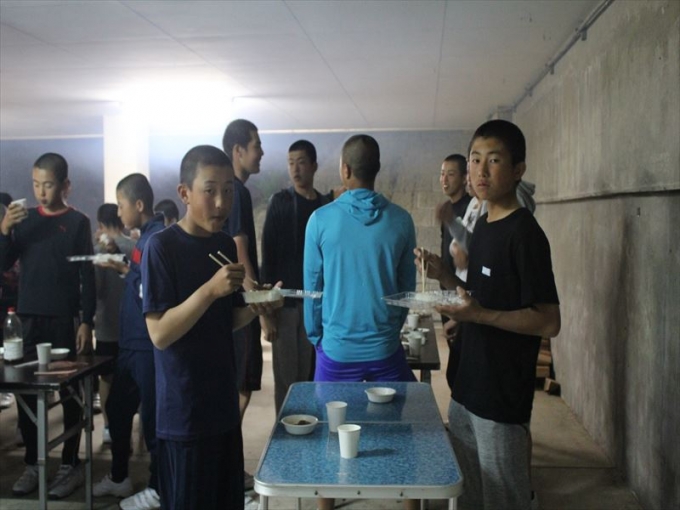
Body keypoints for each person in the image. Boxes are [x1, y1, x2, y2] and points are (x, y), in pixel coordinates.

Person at [415, 119, 561, 510]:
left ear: (518, 170)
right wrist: (443, 274)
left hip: (501, 397)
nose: (481, 171)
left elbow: (549, 320)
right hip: (466, 388)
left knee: (503, 498)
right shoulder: (483, 225)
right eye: (475, 159)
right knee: (469, 496)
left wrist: (480, 316)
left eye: (493, 160)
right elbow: (477, 295)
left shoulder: (525, 234)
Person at [141, 144, 281, 510]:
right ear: (184, 193)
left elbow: (225, 320)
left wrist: (257, 308)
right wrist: (209, 290)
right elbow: (160, 334)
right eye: (210, 190)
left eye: (229, 191)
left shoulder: (223, 245)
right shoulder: (161, 248)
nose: (221, 203)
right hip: (184, 415)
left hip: (223, 408)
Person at [303, 134, 419, 510]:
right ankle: (408, 500)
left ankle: (326, 504)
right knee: (403, 430)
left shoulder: (320, 221)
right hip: (385, 350)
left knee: (330, 433)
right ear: (377, 169)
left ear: (345, 169)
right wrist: (390, 329)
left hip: (336, 352)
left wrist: (317, 337)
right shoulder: (401, 220)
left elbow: (313, 289)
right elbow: (406, 290)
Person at [0, 153, 95, 499]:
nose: (41, 191)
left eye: (49, 184)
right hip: (29, 319)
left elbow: (87, 274)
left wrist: (86, 321)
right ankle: (33, 463)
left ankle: (69, 464)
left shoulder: (78, 222)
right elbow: (3, 263)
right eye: (36, 184)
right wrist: (4, 230)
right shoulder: (24, 221)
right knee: (26, 392)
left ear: (65, 185)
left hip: (63, 319)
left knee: (69, 392)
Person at [92, 174, 165, 510]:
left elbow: (151, 292)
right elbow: (140, 280)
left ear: (138, 204)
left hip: (146, 347)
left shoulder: (154, 240)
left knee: (153, 421)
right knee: (118, 409)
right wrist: (124, 269)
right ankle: (120, 476)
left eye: (121, 206)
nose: (119, 213)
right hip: (131, 346)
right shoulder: (144, 239)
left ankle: (159, 487)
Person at [261, 140, 330, 414]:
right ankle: (285, 432)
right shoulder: (280, 203)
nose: (295, 169)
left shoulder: (324, 207)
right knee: (287, 379)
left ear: (314, 165)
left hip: (317, 305)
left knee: (312, 376)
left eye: (301, 162)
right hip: (286, 306)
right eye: (291, 163)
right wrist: (266, 313)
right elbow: (268, 257)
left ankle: (309, 428)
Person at [221, 118, 266, 489]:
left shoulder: (234, 191)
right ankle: (226, 469)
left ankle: (226, 466)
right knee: (240, 387)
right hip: (238, 304)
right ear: (238, 151)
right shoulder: (236, 191)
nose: (261, 152)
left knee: (237, 388)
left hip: (230, 303)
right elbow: (240, 249)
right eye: (256, 145)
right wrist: (259, 305)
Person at [92, 203, 134, 445]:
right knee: (132, 379)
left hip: (106, 326)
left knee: (106, 379)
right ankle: (133, 426)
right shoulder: (135, 246)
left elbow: (96, 290)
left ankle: (109, 427)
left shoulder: (98, 252)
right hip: (131, 327)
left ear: (100, 223)